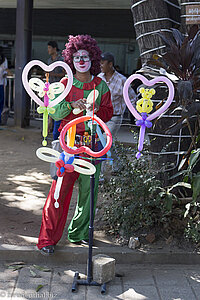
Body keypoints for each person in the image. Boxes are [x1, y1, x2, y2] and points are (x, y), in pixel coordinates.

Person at [37, 35, 113, 255]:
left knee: (89, 193)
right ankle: (46, 240)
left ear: (93, 58)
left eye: (85, 56)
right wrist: (71, 105)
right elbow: (55, 112)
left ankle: (78, 234)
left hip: (92, 146)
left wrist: (95, 109)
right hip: (67, 145)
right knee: (59, 192)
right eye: (77, 56)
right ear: (71, 59)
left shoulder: (101, 85)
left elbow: (108, 112)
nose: (81, 60)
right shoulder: (64, 84)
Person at [98, 52, 136, 176]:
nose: (100, 65)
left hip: (114, 118)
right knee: (108, 143)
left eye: (103, 63)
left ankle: (100, 174)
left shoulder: (122, 80)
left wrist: (138, 114)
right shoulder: (99, 78)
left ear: (110, 64)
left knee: (104, 141)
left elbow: (132, 98)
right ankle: (119, 166)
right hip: (100, 117)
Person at [47, 41, 65, 140]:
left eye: (49, 48)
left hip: (60, 89)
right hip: (50, 89)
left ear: (54, 48)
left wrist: (53, 75)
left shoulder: (61, 60)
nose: (48, 50)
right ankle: (50, 129)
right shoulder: (49, 60)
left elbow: (65, 73)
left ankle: (56, 132)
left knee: (57, 110)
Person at [0, 49, 9, 125]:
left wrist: (5, 74)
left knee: (1, 102)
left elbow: (5, 71)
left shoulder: (3, 60)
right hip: (1, 83)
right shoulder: (3, 60)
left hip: (1, 83)